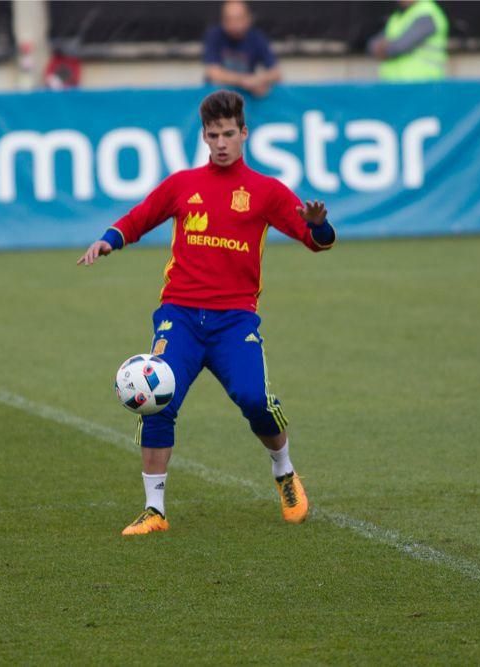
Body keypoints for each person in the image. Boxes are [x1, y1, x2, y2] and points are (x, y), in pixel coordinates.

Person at [77, 90, 336, 536]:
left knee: (255, 400)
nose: (220, 143)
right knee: (156, 401)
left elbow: (318, 241)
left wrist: (317, 225)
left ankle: (285, 473)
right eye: (213, 135)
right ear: (203, 135)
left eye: (229, 134)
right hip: (178, 314)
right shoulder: (183, 185)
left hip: (234, 320)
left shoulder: (266, 192)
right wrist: (109, 239)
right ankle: (154, 510)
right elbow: (141, 216)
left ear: (244, 134)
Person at [202, 0, 281, 98]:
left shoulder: (257, 37)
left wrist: (259, 80)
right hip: (217, 98)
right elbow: (213, 73)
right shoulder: (214, 35)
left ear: (248, 19)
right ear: (222, 21)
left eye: (238, 19)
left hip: (246, 99)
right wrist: (244, 81)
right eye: (229, 20)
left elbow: (276, 72)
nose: (234, 24)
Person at [367, 0, 449, 81]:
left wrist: (385, 47)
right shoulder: (397, 16)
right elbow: (372, 45)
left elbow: (399, 47)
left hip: (423, 84)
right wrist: (381, 47)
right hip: (393, 84)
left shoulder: (427, 13)